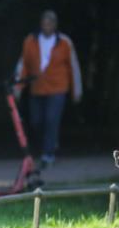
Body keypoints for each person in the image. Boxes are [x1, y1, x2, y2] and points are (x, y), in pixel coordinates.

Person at [15, 10, 83, 169]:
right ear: (41, 24)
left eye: (50, 23)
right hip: (36, 88)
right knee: (36, 121)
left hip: (58, 88)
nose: (47, 26)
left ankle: (48, 154)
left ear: (55, 25)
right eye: (44, 23)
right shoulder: (30, 41)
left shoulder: (65, 42)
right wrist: (18, 87)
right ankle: (50, 144)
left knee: (52, 120)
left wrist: (76, 90)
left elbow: (73, 66)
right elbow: (23, 65)